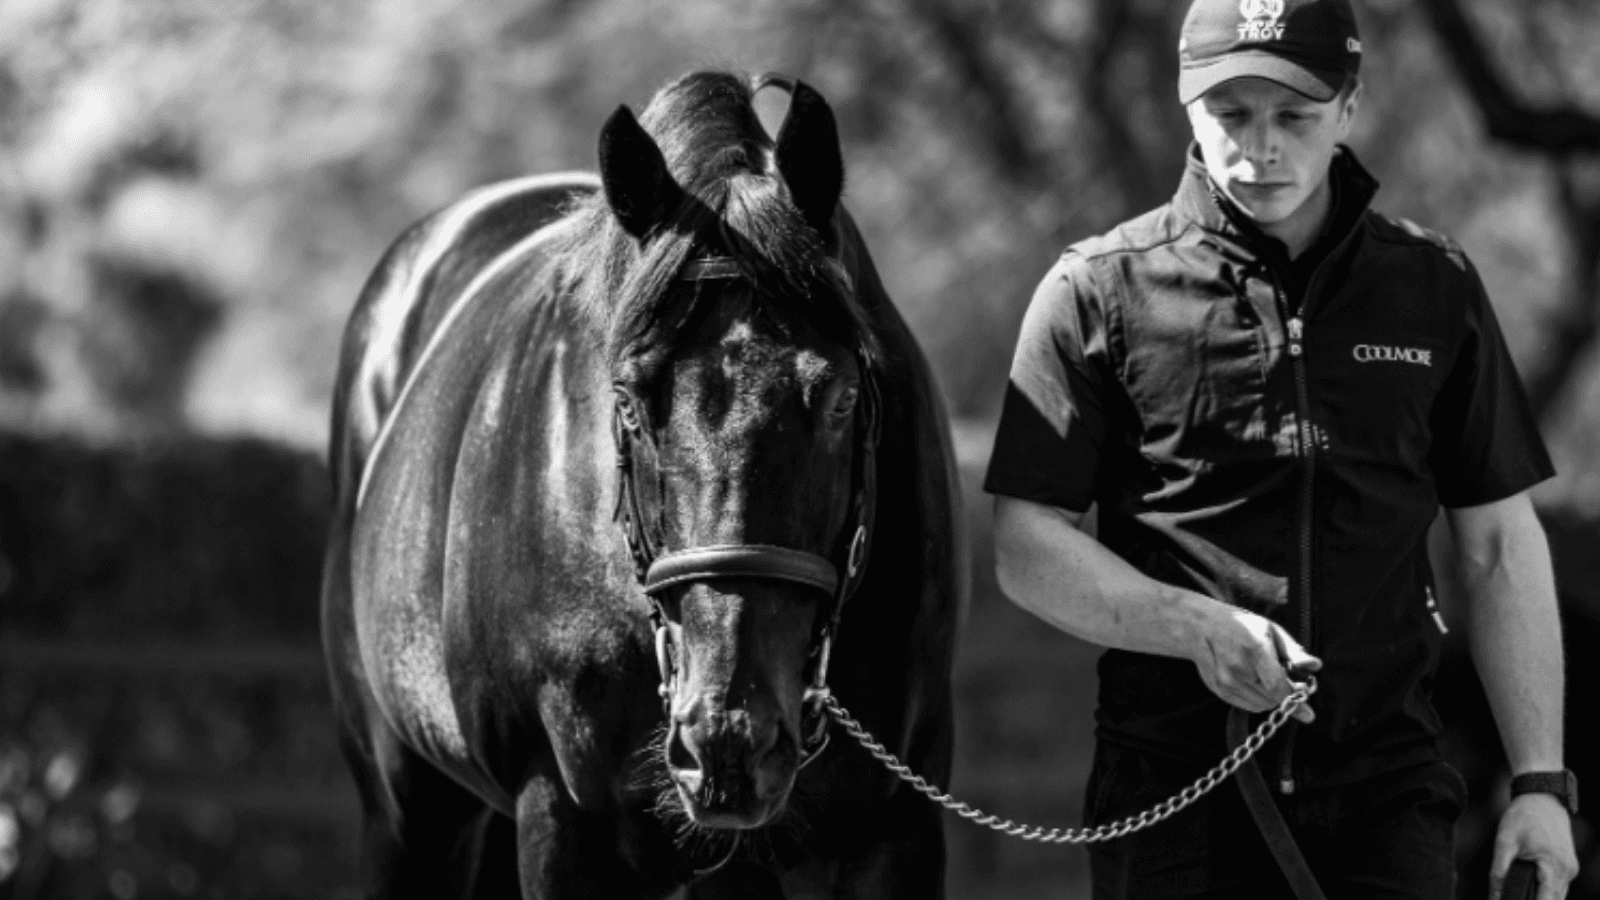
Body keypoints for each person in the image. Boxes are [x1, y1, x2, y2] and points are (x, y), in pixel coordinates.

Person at [983, 0, 1580, 896]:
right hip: (1173, 795)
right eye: (1231, 114)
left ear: (1348, 107)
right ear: (1190, 107)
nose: (1260, 149)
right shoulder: (1094, 290)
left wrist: (1540, 783)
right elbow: (1026, 544)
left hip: (1390, 792)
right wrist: (1194, 628)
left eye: (1295, 117)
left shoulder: (1435, 285)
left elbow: (1497, 546)